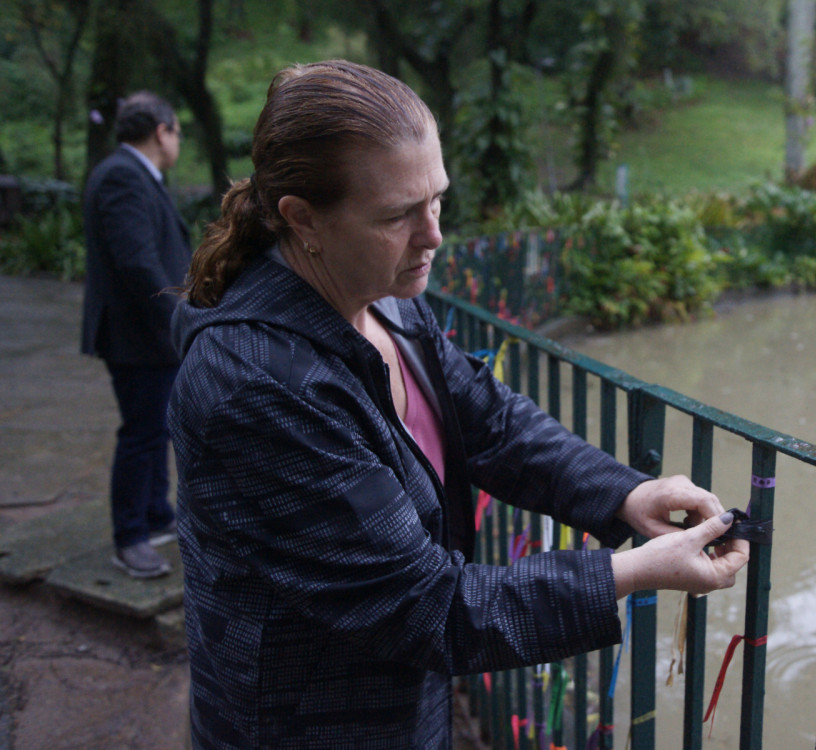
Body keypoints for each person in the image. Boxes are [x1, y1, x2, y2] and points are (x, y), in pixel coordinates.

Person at [168, 60, 749, 749]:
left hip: (399, 704)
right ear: (302, 219)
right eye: (397, 215)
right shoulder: (258, 385)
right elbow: (427, 608)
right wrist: (630, 572)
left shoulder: (380, 295)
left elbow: (488, 419)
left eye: (437, 199)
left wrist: (627, 494)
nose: (434, 234)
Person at [82, 91, 190, 578]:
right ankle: (129, 538)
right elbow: (138, 263)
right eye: (178, 133)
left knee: (156, 428)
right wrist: (180, 317)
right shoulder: (124, 176)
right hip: (137, 335)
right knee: (143, 434)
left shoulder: (138, 175)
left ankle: (157, 516)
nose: (178, 143)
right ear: (161, 131)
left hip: (146, 334)